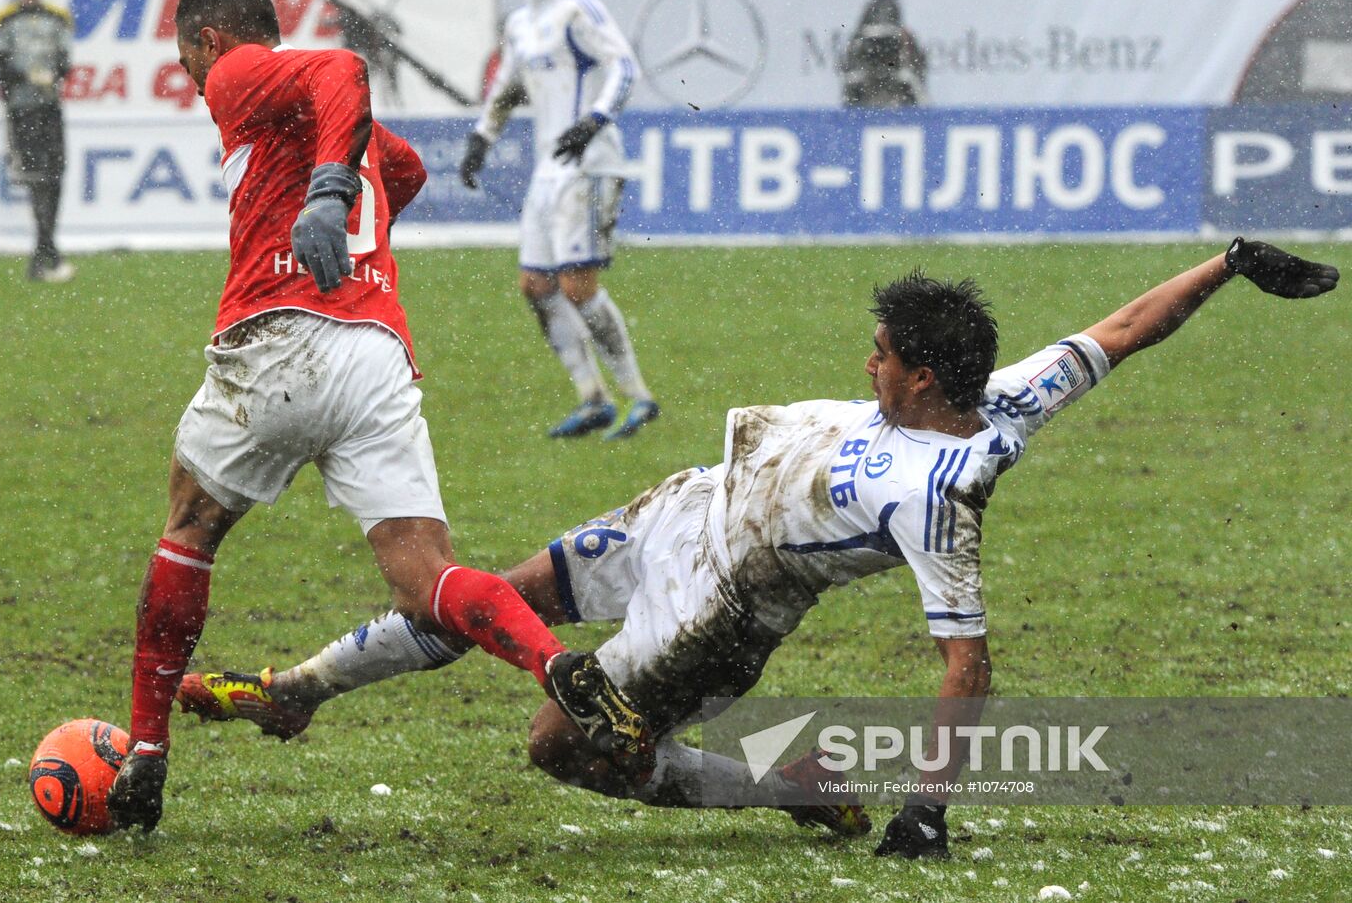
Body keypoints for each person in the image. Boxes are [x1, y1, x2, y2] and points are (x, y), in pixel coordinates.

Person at [176, 239, 1338, 856]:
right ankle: (302, 691)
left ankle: (783, 793)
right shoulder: (1008, 391)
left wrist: (925, 808)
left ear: (922, 376)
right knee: (491, 598)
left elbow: (965, 665)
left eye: (879, 352)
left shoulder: (942, 487)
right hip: (686, 506)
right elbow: (1126, 331)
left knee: (560, 751)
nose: (865, 360)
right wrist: (1230, 264)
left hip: (721, 605)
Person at [103, 0, 652, 834]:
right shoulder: (300, 111)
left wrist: (322, 194)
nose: (197, 84)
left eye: (188, 62)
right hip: (374, 354)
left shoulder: (242, 70)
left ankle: (144, 750)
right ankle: (558, 666)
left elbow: (343, 72)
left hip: (278, 334)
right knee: (428, 579)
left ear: (211, 41)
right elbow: (403, 164)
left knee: (189, 525)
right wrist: (344, 189)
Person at [458, 0, 659, 440]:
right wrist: (482, 137)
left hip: (590, 163)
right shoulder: (522, 25)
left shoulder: (579, 11)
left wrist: (594, 120)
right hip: (549, 168)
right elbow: (506, 87)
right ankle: (592, 397)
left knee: (577, 284)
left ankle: (638, 396)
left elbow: (623, 66)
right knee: (536, 285)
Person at [0, 0, 74, 282]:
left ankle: (44, 252)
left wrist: (51, 75)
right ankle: (47, 252)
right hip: (22, 110)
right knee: (36, 176)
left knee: (55, 175)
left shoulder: (56, 19)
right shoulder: (7, 21)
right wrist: (25, 75)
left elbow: (65, 62)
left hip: (49, 108)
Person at [839, 0, 926, 108]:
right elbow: (848, 68)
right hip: (866, 92)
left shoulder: (906, 38)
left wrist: (900, 64)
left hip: (898, 96)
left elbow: (918, 72)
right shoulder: (859, 37)